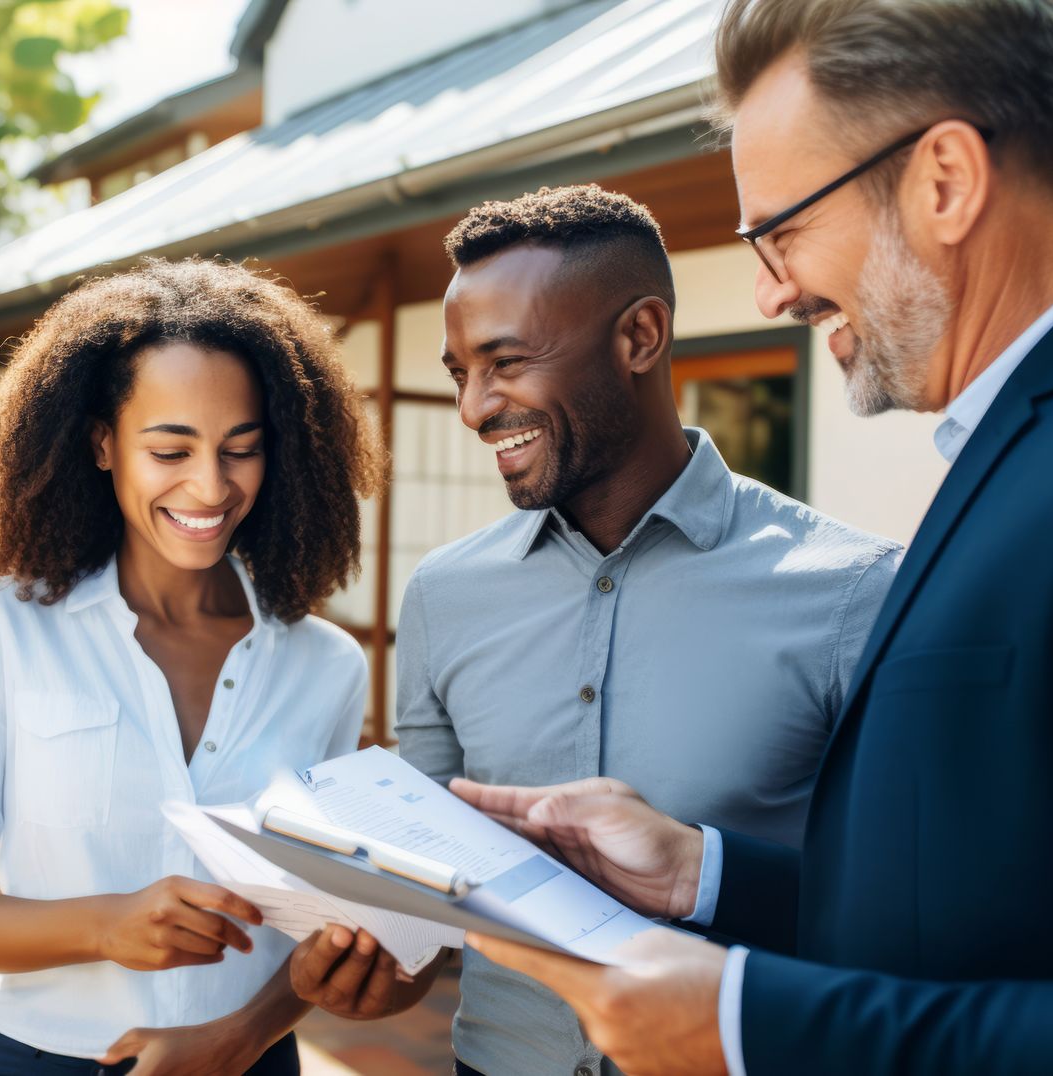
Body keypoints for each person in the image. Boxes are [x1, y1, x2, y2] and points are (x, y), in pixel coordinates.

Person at [456, 2, 1053, 1074]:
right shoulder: (1025, 450)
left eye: (782, 231)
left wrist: (744, 1018)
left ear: (945, 180)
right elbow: (985, 906)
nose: (773, 290)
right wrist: (702, 871)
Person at [286, 184, 901, 1076]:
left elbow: (907, 916)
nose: (474, 408)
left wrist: (710, 869)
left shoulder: (853, 593)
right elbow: (419, 893)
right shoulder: (444, 594)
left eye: (506, 360)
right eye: (462, 372)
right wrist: (380, 966)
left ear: (640, 337)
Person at [0, 259, 384, 1075]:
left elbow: (326, 926)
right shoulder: (4, 627)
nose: (210, 485)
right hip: (39, 1060)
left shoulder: (325, 665)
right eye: (170, 448)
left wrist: (241, 1035)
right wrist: (107, 924)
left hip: (249, 1061)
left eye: (242, 449)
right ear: (102, 445)